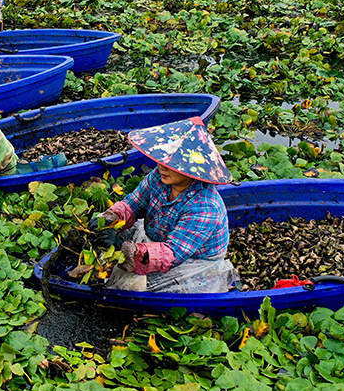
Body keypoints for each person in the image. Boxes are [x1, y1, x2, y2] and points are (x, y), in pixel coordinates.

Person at [92, 117, 239, 294]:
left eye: (173, 164)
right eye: (163, 160)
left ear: (192, 169)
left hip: (191, 261)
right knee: (102, 237)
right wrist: (111, 218)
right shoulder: (159, 177)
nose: (162, 166)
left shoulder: (205, 206)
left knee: (130, 285)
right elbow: (133, 203)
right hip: (159, 237)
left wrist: (125, 252)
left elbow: (172, 253)